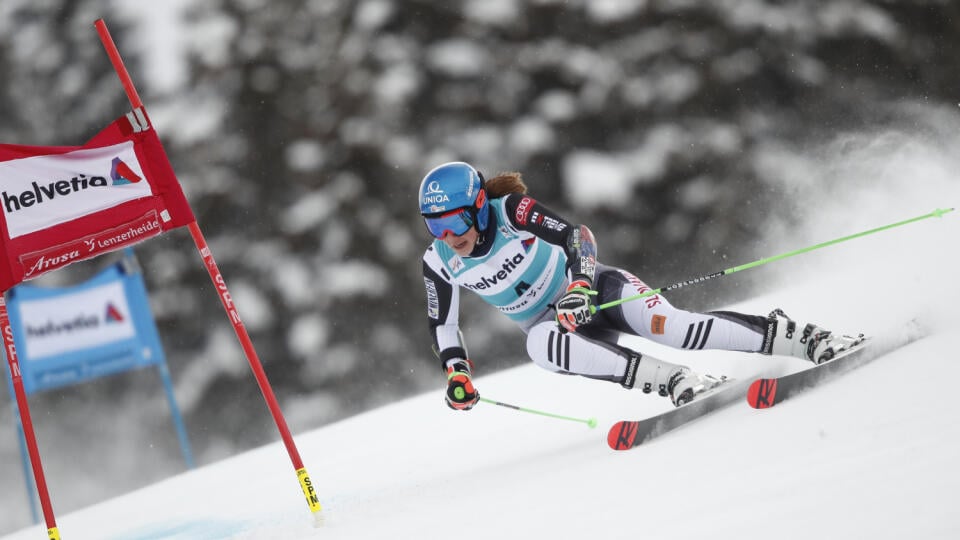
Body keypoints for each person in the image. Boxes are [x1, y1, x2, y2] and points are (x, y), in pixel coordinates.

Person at [419, 161, 863, 411]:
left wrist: (579, 287)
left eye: (455, 220)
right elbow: (443, 325)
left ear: (478, 206)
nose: (450, 235)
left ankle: (804, 338)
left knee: (676, 329)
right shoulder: (440, 260)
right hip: (556, 328)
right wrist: (456, 371)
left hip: (597, 290)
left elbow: (579, 237)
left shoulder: (510, 210)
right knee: (540, 344)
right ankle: (674, 381)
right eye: (435, 226)